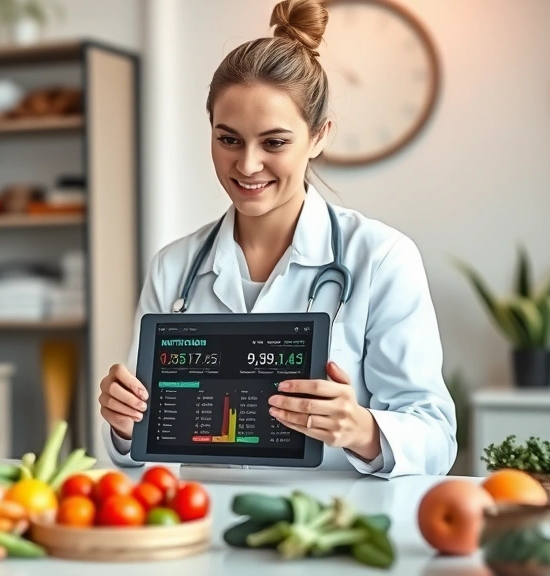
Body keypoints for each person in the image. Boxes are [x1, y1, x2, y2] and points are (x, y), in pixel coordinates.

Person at [98, 0, 456, 479]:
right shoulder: (174, 266)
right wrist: (124, 423)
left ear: (319, 136)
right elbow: (138, 446)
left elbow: (436, 437)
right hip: (206, 523)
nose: (247, 165)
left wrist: (362, 429)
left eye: (274, 142)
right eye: (229, 139)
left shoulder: (382, 258)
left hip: (330, 530)